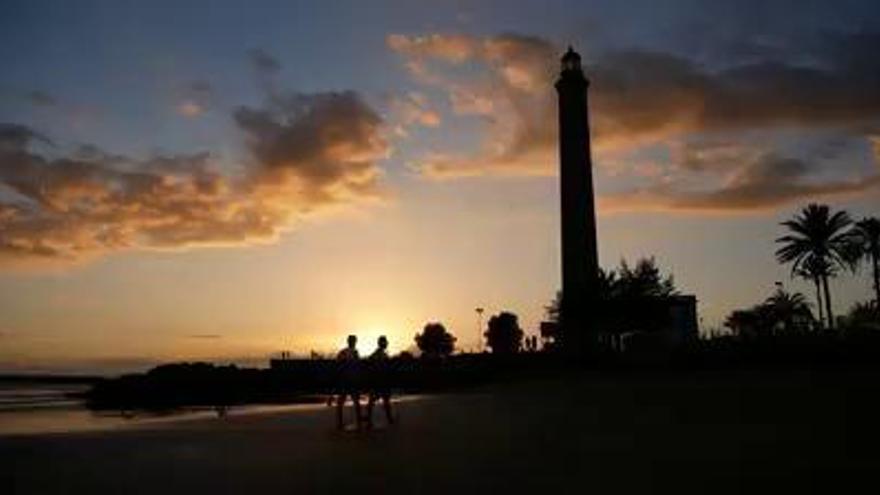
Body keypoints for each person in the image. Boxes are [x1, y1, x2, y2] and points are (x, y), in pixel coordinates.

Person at [366, 335, 395, 428]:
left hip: (380, 381)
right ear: (382, 343)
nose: (386, 344)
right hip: (378, 381)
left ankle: (388, 419)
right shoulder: (379, 354)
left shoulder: (381, 354)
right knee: (377, 400)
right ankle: (371, 420)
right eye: (385, 342)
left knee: (382, 400)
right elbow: (372, 365)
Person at [335, 335, 362, 430]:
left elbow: (338, 364)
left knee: (345, 401)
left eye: (354, 341)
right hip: (348, 380)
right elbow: (340, 365)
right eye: (353, 341)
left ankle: (342, 422)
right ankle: (343, 422)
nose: (354, 343)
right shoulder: (351, 352)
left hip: (349, 380)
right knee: (350, 401)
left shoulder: (351, 352)